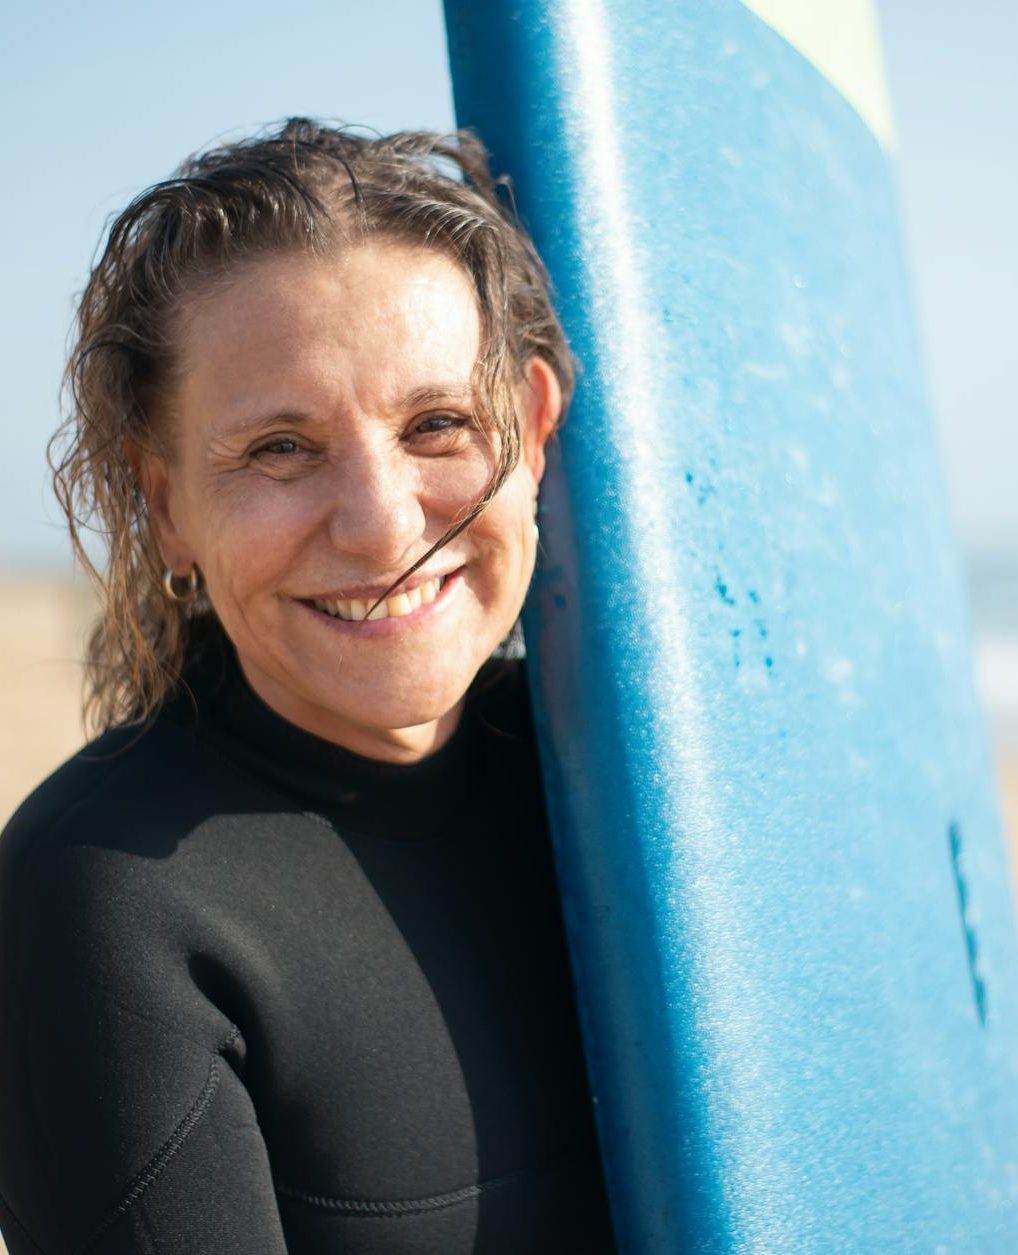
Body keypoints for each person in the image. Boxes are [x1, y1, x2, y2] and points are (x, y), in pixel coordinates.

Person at [0, 119, 617, 1254]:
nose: (381, 525)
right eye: (280, 449)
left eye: (438, 424)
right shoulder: (108, 900)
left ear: (529, 429)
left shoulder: (626, 782)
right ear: (168, 503)